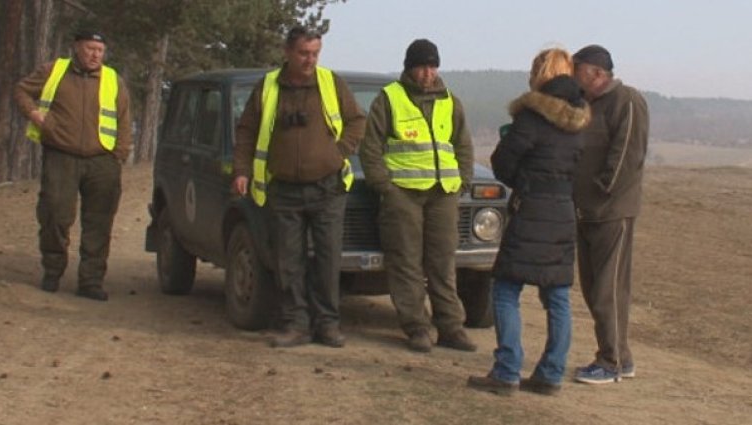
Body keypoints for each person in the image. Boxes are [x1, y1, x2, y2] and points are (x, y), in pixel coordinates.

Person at [466, 48, 591, 396]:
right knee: (558, 297)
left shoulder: (531, 118)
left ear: (540, 74)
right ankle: (551, 373)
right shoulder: (581, 123)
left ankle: (506, 371)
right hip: (563, 213)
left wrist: (524, 180)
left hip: (531, 210)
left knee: (505, 290)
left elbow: (502, 165)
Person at [233, 26, 366, 348]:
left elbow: (357, 120)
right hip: (283, 189)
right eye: (304, 53)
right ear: (287, 52)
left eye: (315, 53)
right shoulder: (267, 87)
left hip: (327, 188)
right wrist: (242, 171)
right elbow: (247, 130)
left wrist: (338, 152)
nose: (310, 60)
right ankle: (295, 325)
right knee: (288, 262)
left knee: (327, 260)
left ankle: (328, 326)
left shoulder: (331, 83)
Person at [360, 39, 476, 353]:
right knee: (406, 263)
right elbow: (370, 148)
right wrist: (387, 188)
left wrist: (462, 181)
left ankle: (451, 328)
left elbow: (463, 145)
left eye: (432, 66)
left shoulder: (451, 101)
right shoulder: (389, 99)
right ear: (409, 67)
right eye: (422, 66)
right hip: (403, 196)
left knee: (442, 263)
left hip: (443, 195)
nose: (428, 73)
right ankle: (417, 329)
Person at [14, 30, 132, 302]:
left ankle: (91, 281)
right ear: (77, 47)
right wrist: (33, 114)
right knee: (54, 215)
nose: (95, 55)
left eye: (100, 50)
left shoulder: (113, 80)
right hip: (61, 155)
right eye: (90, 48)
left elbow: (124, 118)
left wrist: (120, 154)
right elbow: (22, 90)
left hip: (103, 160)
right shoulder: (54, 71)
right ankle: (52, 271)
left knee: (99, 222)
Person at [570, 45, 649, 384]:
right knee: (593, 289)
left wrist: (602, 191)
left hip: (610, 213)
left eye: (578, 71)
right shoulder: (585, 106)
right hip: (585, 212)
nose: (574, 78)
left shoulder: (628, 101)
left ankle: (610, 361)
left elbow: (627, 156)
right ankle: (622, 357)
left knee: (608, 289)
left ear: (597, 73)